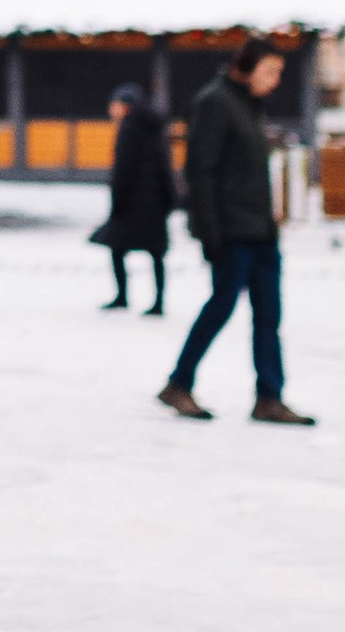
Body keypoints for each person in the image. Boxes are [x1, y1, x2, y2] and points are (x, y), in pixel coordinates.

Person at [158, 37, 315, 425]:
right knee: (221, 306)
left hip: (259, 230)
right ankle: (179, 383)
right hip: (230, 232)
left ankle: (269, 397)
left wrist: (269, 222)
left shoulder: (249, 105)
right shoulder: (214, 102)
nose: (276, 81)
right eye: (270, 72)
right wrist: (210, 233)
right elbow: (201, 172)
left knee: (268, 314)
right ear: (246, 68)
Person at [93, 83, 175, 315]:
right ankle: (159, 301)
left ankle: (122, 296)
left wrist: (117, 201)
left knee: (117, 249)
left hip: (131, 203)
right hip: (155, 203)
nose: (111, 109)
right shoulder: (155, 129)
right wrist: (169, 199)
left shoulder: (129, 130)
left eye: (115, 105)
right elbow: (165, 167)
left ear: (125, 106)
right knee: (156, 253)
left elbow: (123, 171)